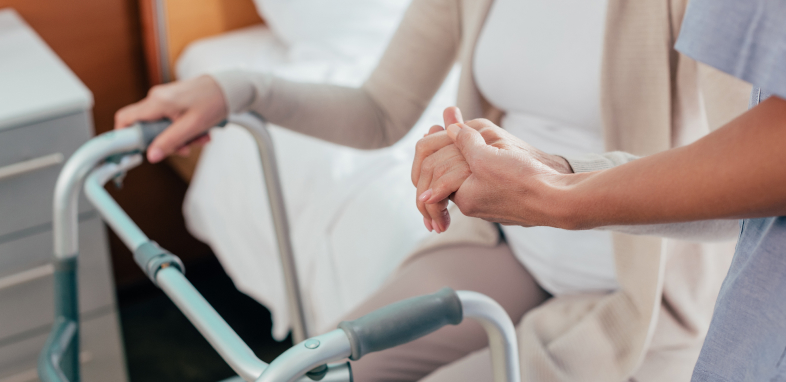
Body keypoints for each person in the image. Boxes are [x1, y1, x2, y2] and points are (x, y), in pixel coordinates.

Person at [114, 0, 750, 380]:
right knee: (310, 374)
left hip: (640, 293)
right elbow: (381, 110)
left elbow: (739, 192)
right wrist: (238, 90)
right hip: (508, 250)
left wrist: (553, 176)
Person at [414, 0, 786, 380]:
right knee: (356, 359)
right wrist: (551, 176)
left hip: (640, 295)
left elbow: (753, 179)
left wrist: (555, 191)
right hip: (514, 247)